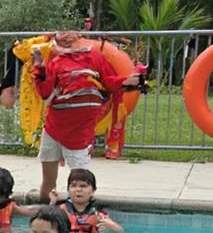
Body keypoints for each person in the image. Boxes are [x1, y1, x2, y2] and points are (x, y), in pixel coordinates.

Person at [32, 31, 140, 203]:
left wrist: (128, 81)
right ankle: (46, 218)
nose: (68, 44)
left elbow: (109, 82)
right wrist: (39, 68)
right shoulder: (56, 62)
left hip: (80, 131)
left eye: (70, 40)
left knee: (81, 183)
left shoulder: (95, 57)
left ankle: (83, 221)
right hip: (54, 127)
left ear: (78, 41)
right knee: (48, 181)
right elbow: (44, 92)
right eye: (63, 41)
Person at [48, 168, 123, 233]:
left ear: (93, 191)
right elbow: (46, 222)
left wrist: (111, 225)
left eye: (83, 186)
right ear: (68, 190)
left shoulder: (97, 213)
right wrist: (53, 202)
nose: (78, 189)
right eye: (73, 186)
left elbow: (119, 231)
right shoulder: (61, 210)